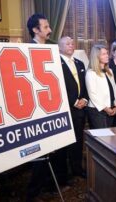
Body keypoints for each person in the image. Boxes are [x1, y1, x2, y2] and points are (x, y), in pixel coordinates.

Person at [26, 13, 68, 202]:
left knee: (57, 147)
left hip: (55, 106)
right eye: (45, 27)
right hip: (37, 109)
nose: (50, 30)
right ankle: (34, 189)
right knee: (39, 151)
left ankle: (54, 182)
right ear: (35, 30)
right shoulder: (26, 50)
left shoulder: (53, 49)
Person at [58, 36, 88, 178]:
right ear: (59, 47)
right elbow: (58, 88)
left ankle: (77, 169)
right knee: (63, 144)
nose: (71, 45)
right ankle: (63, 174)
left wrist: (85, 99)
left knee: (78, 141)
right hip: (65, 110)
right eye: (67, 43)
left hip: (80, 111)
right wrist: (73, 102)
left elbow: (85, 85)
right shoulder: (55, 63)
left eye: (72, 43)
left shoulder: (80, 63)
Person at [85, 44, 116, 129]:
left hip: (111, 108)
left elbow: (114, 88)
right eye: (103, 54)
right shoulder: (90, 73)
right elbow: (92, 94)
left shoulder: (109, 71)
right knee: (101, 138)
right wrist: (105, 108)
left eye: (107, 53)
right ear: (96, 57)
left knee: (109, 138)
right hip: (97, 111)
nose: (107, 55)